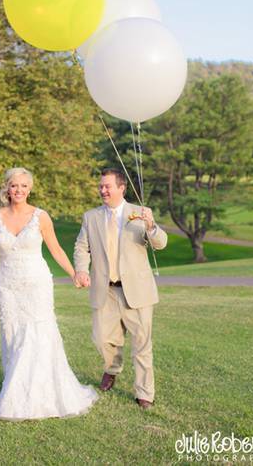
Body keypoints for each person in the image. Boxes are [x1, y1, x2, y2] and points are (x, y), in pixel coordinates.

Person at [0, 168, 98, 420]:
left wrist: (74, 272)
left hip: (37, 284)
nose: (18, 190)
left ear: (29, 189)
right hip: (8, 285)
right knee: (13, 335)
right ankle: (16, 393)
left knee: (39, 334)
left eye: (23, 186)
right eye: (13, 185)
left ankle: (43, 394)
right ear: (6, 188)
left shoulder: (41, 216)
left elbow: (56, 249)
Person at [73, 168, 168, 409]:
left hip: (137, 291)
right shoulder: (91, 217)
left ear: (121, 188)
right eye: (101, 186)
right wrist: (82, 270)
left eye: (107, 186)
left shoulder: (140, 213)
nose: (102, 190)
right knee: (102, 338)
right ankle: (112, 368)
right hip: (105, 290)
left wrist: (152, 225)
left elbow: (160, 243)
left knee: (142, 345)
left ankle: (145, 392)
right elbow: (81, 247)